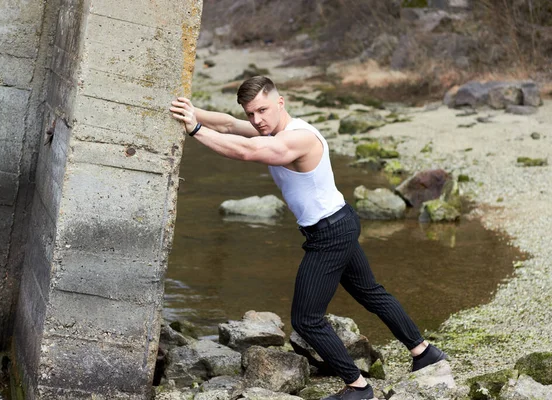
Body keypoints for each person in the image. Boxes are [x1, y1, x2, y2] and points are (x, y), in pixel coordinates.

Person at [169, 76, 447, 400]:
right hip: (338, 223)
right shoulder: (270, 130)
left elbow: (246, 152)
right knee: (371, 293)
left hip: (330, 233)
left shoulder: (297, 138)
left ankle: (358, 387)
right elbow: (230, 126)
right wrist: (192, 111)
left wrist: (196, 130)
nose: (257, 119)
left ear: (280, 102)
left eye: (262, 109)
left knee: (306, 319)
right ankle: (424, 352)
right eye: (251, 113)